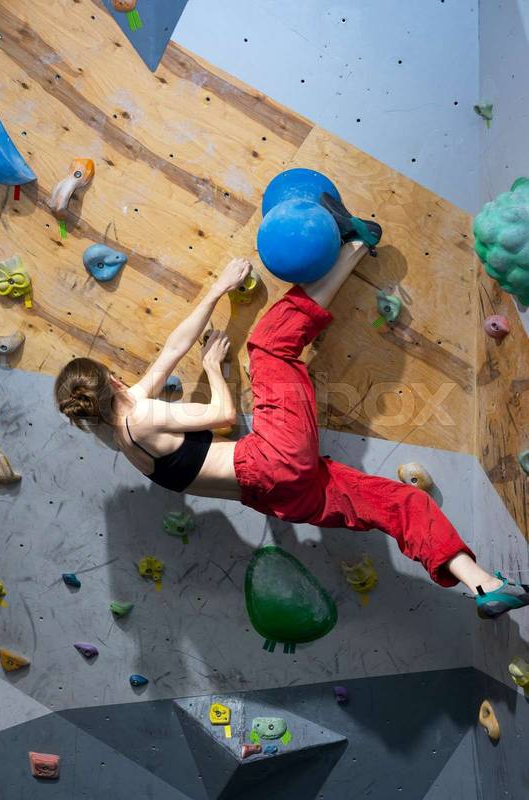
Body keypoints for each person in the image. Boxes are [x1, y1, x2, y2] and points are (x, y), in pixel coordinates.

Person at [55, 238, 528, 620]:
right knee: (268, 347)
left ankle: (484, 584)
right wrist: (214, 368)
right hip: (270, 459)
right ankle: (355, 244)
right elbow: (223, 415)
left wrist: (218, 290)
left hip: (282, 497)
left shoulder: (119, 433)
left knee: (399, 504)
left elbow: (173, 347)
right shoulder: (144, 416)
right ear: (111, 380)